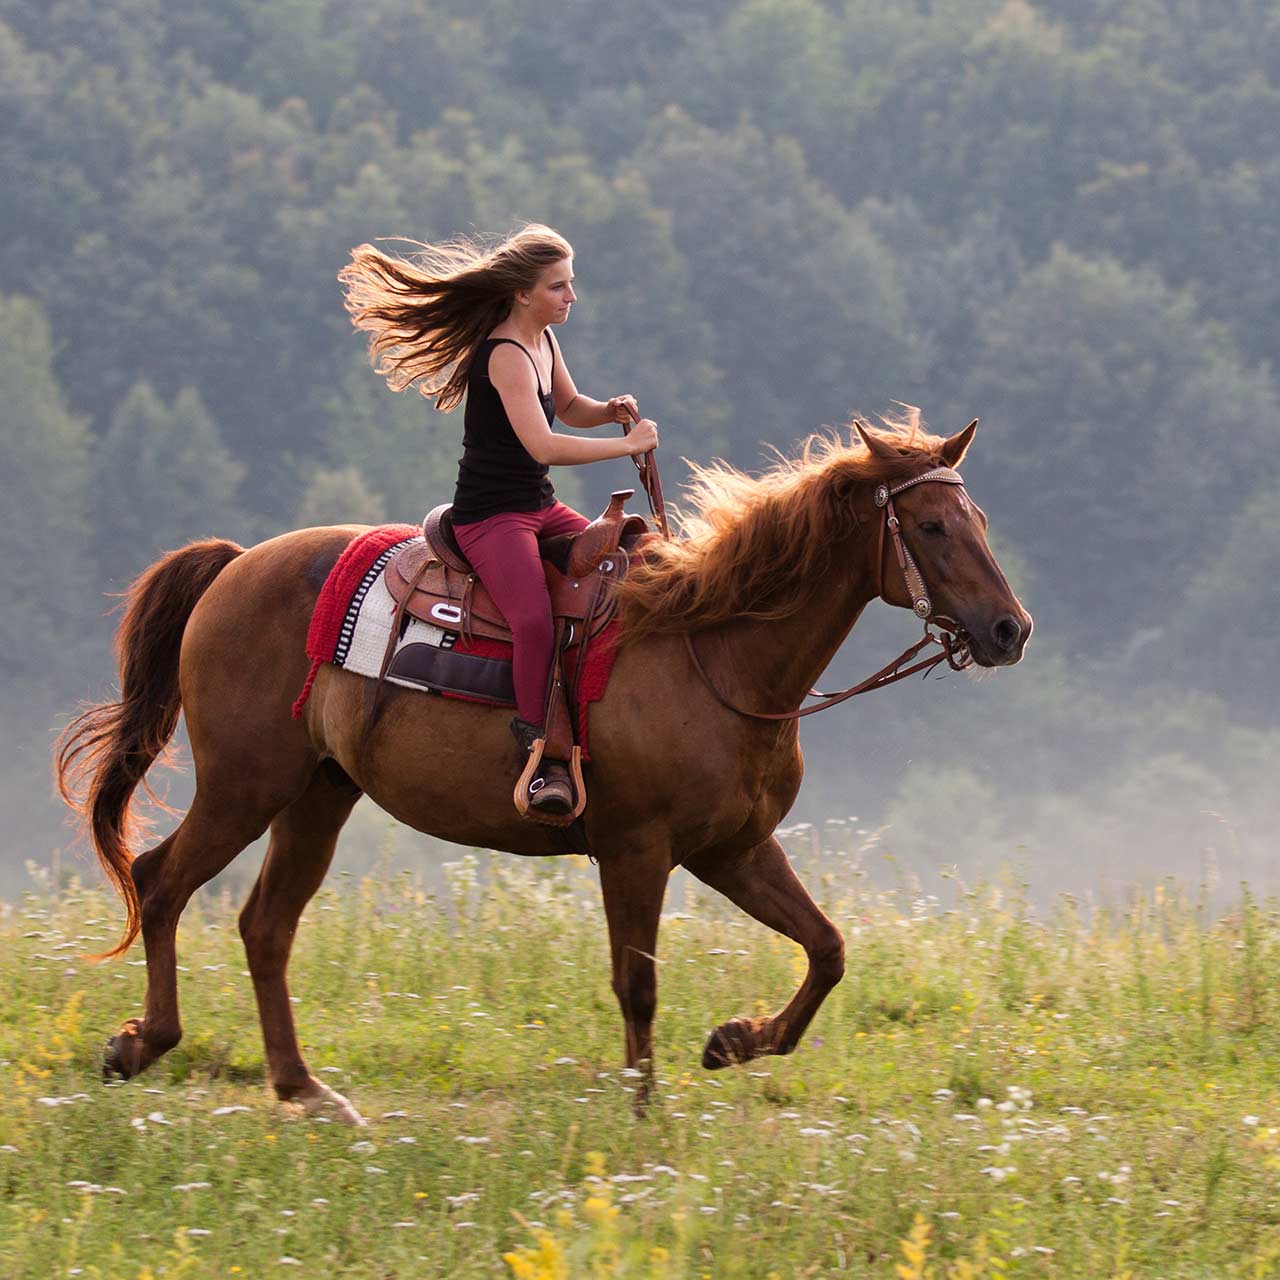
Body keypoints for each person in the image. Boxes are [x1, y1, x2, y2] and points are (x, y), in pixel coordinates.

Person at [338, 224, 658, 817]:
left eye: (571, 284)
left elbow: (567, 408)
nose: (571, 297)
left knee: (626, 564)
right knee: (534, 620)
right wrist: (626, 446)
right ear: (522, 294)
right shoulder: (505, 353)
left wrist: (608, 412)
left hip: (537, 507)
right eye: (558, 287)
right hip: (491, 517)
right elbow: (543, 445)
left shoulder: (544, 341)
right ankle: (539, 749)